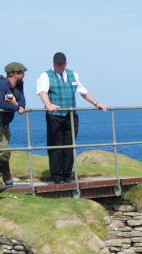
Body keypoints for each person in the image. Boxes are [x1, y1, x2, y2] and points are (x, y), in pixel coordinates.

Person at [36, 52, 105, 185]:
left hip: (71, 115)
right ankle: (57, 177)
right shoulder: (45, 76)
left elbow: (84, 92)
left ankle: (67, 176)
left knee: (70, 146)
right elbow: (42, 92)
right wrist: (48, 104)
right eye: (57, 65)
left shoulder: (74, 75)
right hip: (54, 116)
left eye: (62, 65)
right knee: (56, 146)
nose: (60, 67)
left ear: (66, 64)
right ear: (53, 64)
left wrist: (96, 103)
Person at [0, 62, 27, 190]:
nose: (23, 75)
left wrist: (15, 103)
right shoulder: (0, 84)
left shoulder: (19, 85)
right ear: (15, 74)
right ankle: (7, 177)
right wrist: (16, 106)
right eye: (22, 73)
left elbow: (23, 102)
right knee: (3, 149)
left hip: (5, 124)